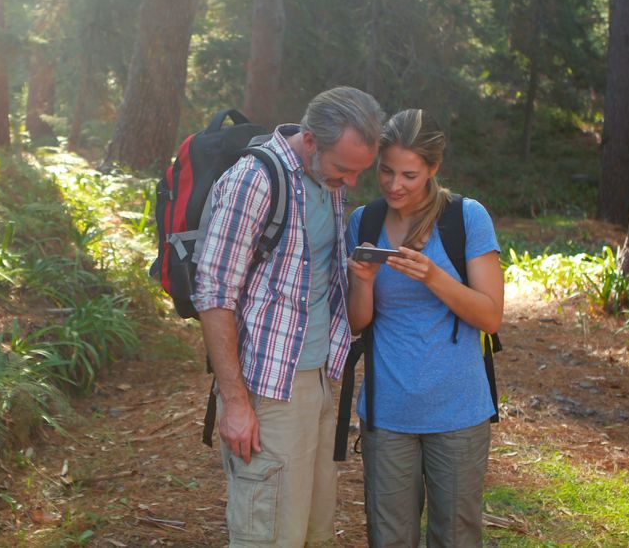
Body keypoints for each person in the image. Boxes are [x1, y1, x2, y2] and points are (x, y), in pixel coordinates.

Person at [192, 86, 386, 547]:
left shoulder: (325, 183)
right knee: (269, 533)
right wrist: (236, 403)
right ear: (312, 141)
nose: (351, 182)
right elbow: (214, 294)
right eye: (345, 169)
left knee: (312, 532)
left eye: (360, 172)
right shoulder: (255, 180)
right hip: (268, 391)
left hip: (319, 381)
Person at [345, 109, 504, 547]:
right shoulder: (365, 221)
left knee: (454, 534)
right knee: (388, 536)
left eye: (410, 174)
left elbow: (490, 316)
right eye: (387, 170)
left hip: (457, 410)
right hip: (387, 410)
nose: (395, 185)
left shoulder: (465, 218)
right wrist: (363, 282)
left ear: (434, 169)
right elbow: (359, 323)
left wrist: (433, 276)